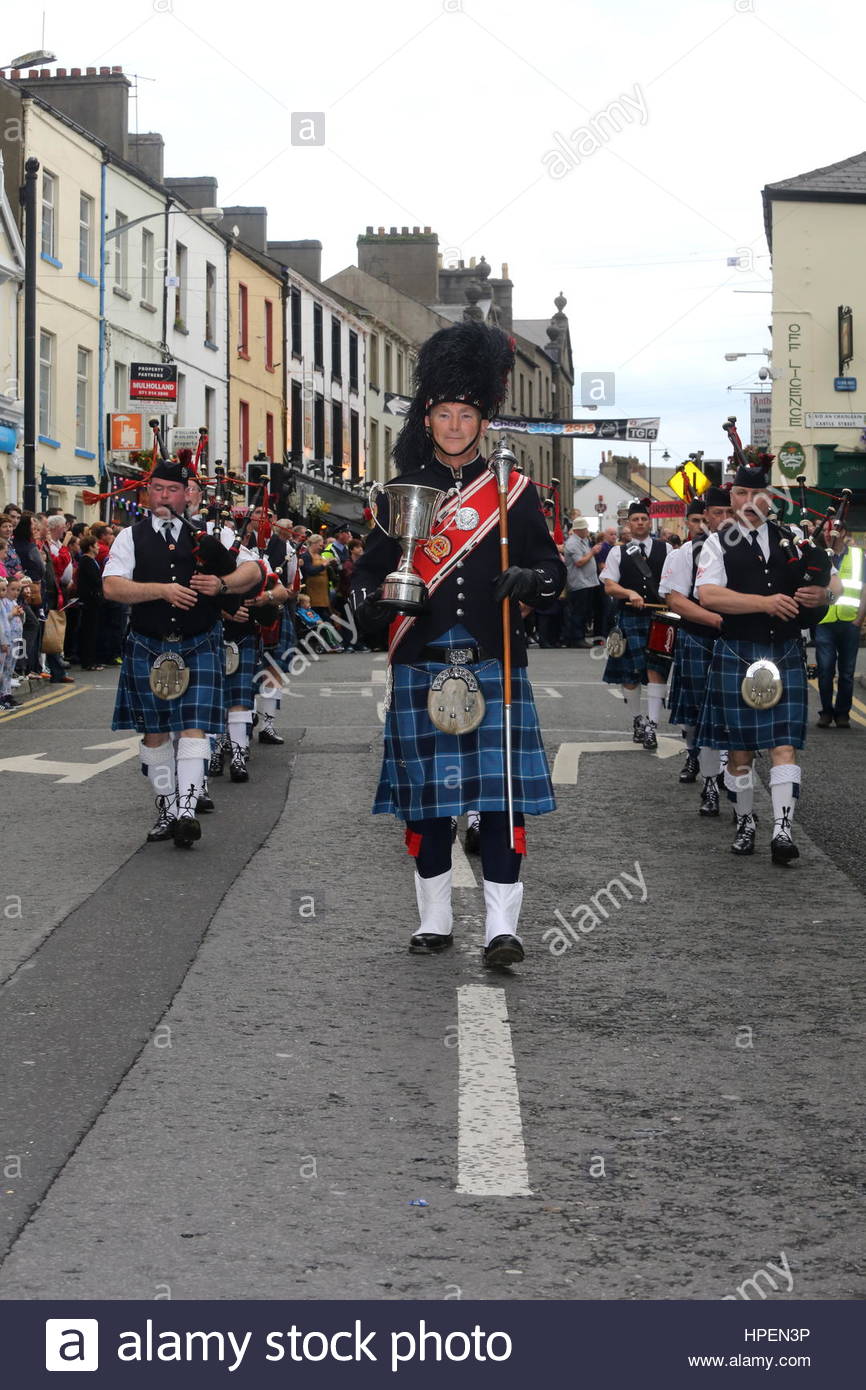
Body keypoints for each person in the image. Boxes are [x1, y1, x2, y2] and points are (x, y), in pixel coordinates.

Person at [351, 320, 565, 967]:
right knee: (427, 806)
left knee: (499, 803)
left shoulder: (513, 493)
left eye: (464, 413)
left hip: (494, 662)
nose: (452, 424)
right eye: (442, 413)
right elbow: (368, 570)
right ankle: (435, 919)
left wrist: (535, 580)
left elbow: (554, 574)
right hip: (423, 662)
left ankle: (503, 929)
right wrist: (366, 596)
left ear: (481, 418)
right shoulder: (402, 496)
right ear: (428, 417)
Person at [102, 456, 261, 848]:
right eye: (157, 488)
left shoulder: (211, 534)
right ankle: (167, 809)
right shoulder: (130, 537)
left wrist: (221, 585)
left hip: (199, 642)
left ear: (187, 495)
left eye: (172, 490)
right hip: (147, 644)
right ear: (148, 491)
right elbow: (111, 587)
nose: (164, 496)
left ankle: (187, 810)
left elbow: (254, 572)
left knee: (194, 727)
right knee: (154, 734)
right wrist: (161, 589)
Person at [694, 459, 835, 864]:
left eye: (756, 494)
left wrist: (822, 596)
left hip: (786, 650)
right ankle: (745, 822)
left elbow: (832, 579)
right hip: (739, 650)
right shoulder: (718, 543)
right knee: (739, 752)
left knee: (783, 747)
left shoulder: (794, 537)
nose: (747, 501)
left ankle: (783, 831)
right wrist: (765, 603)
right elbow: (709, 596)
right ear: (733, 497)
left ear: (769, 499)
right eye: (739, 493)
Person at [659, 488, 731, 811]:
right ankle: (703, 771)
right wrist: (716, 620)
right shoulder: (683, 554)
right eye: (713, 515)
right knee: (697, 714)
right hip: (699, 637)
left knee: (728, 716)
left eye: (728, 513)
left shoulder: (745, 550)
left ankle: (728, 782)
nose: (719, 521)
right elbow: (675, 600)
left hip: (734, 641)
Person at [600, 499, 671, 749]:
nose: (640, 523)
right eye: (635, 520)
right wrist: (629, 593)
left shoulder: (667, 550)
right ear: (628, 524)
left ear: (649, 522)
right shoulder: (618, 552)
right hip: (629, 618)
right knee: (630, 676)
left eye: (643, 519)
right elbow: (609, 584)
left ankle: (652, 725)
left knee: (656, 672)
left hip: (660, 618)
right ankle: (637, 719)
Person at [814, 522, 865, 729]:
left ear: (843, 532)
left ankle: (842, 713)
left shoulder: (857, 555)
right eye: (825, 530)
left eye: (832, 530)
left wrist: (858, 620)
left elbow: (864, 588)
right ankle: (826, 711)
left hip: (849, 621)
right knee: (825, 670)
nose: (828, 534)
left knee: (846, 672)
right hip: (824, 622)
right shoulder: (817, 554)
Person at [563, 517, 601, 647]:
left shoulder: (583, 541)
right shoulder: (573, 543)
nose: (587, 531)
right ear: (578, 530)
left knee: (584, 611)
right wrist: (593, 552)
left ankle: (578, 636)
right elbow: (579, 562)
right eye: (585, 529)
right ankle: (576, 638)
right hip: (579, 583)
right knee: (578, 611)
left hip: (587, 582)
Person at [76, 534, 105, 671]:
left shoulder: (91, 560)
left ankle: (92, 659)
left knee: (94, 631)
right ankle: (88, 661)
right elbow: (94, 580)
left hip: (94, 601)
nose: (98, 547)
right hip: (90, 601)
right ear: (90, 547)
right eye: (96, 545)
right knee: (89, 631)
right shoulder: (86, 561)